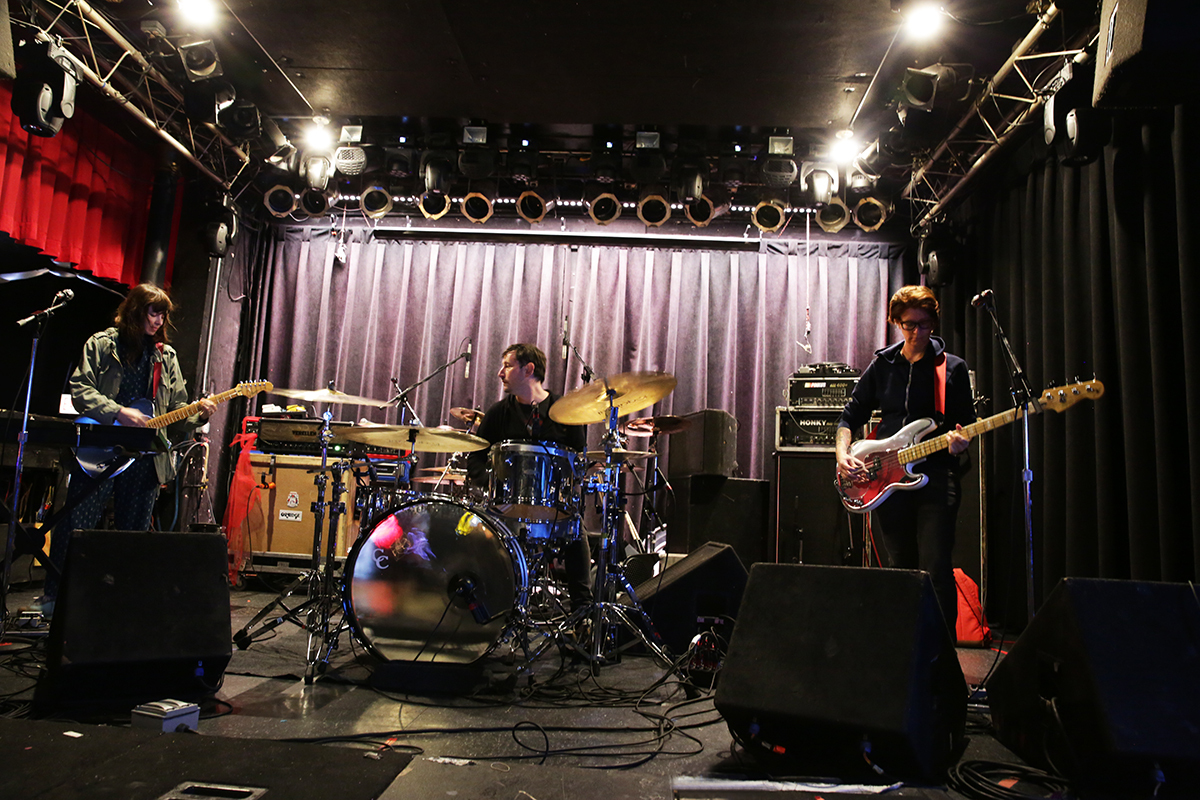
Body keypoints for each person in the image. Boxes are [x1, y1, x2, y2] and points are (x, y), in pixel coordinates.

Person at [40, 284, 215, 615]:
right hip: (100, 448)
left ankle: (119, 607)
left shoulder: (165, 356)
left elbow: (177, 410)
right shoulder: (102, 344)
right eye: (154, 312)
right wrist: (118, 411)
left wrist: (200, 413)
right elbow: (80, 388)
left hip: (145, 456)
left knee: (132, 535)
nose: (160, 320)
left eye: (164, 314)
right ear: (136, 311)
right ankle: (56, 598)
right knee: (77, 524)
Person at [835, 286, 973, 630]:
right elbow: (849, 416)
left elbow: (966, 426)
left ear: (933, 323)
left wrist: (960, 442)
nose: (917, 333)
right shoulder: (884, 364)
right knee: (900, 568)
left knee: (936, 568)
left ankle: (942, 660)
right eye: (909, 325)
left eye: (924, 325)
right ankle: (902, 648)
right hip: (887, 479)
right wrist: (841, 453)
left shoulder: (951, 368)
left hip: (936, 479)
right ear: (897, 322)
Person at [466, 343, 592, 612]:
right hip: (504, 508)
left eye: (508, 366)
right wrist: (489, 481)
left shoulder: (565, 411)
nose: (500, 373)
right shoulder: (497, 413)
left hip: (553, 506)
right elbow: (474, 457)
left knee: (575, 530)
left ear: (529, 369)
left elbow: (577, 460)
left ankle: (583, 613)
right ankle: (486, 607)